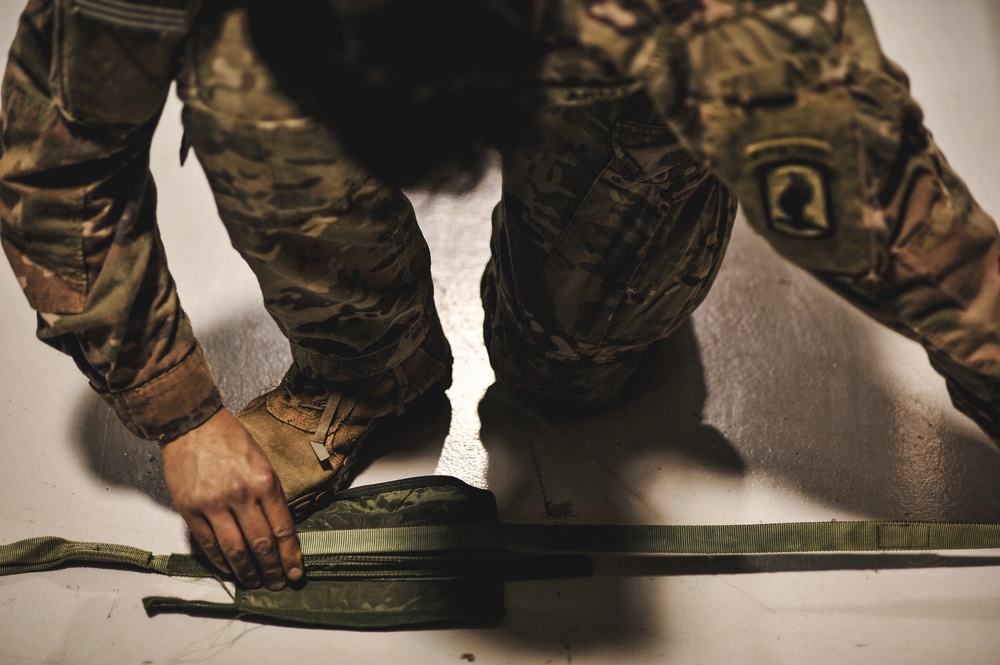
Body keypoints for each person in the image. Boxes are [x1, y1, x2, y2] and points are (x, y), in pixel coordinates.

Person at [2, 0, 998, 595]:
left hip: (615, 69)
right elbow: (55, 159)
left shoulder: (735, 31)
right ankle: (368, 364)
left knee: (566, 368)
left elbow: (915, 238)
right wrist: (179, 413)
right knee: (240, 79)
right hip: (298, 35)